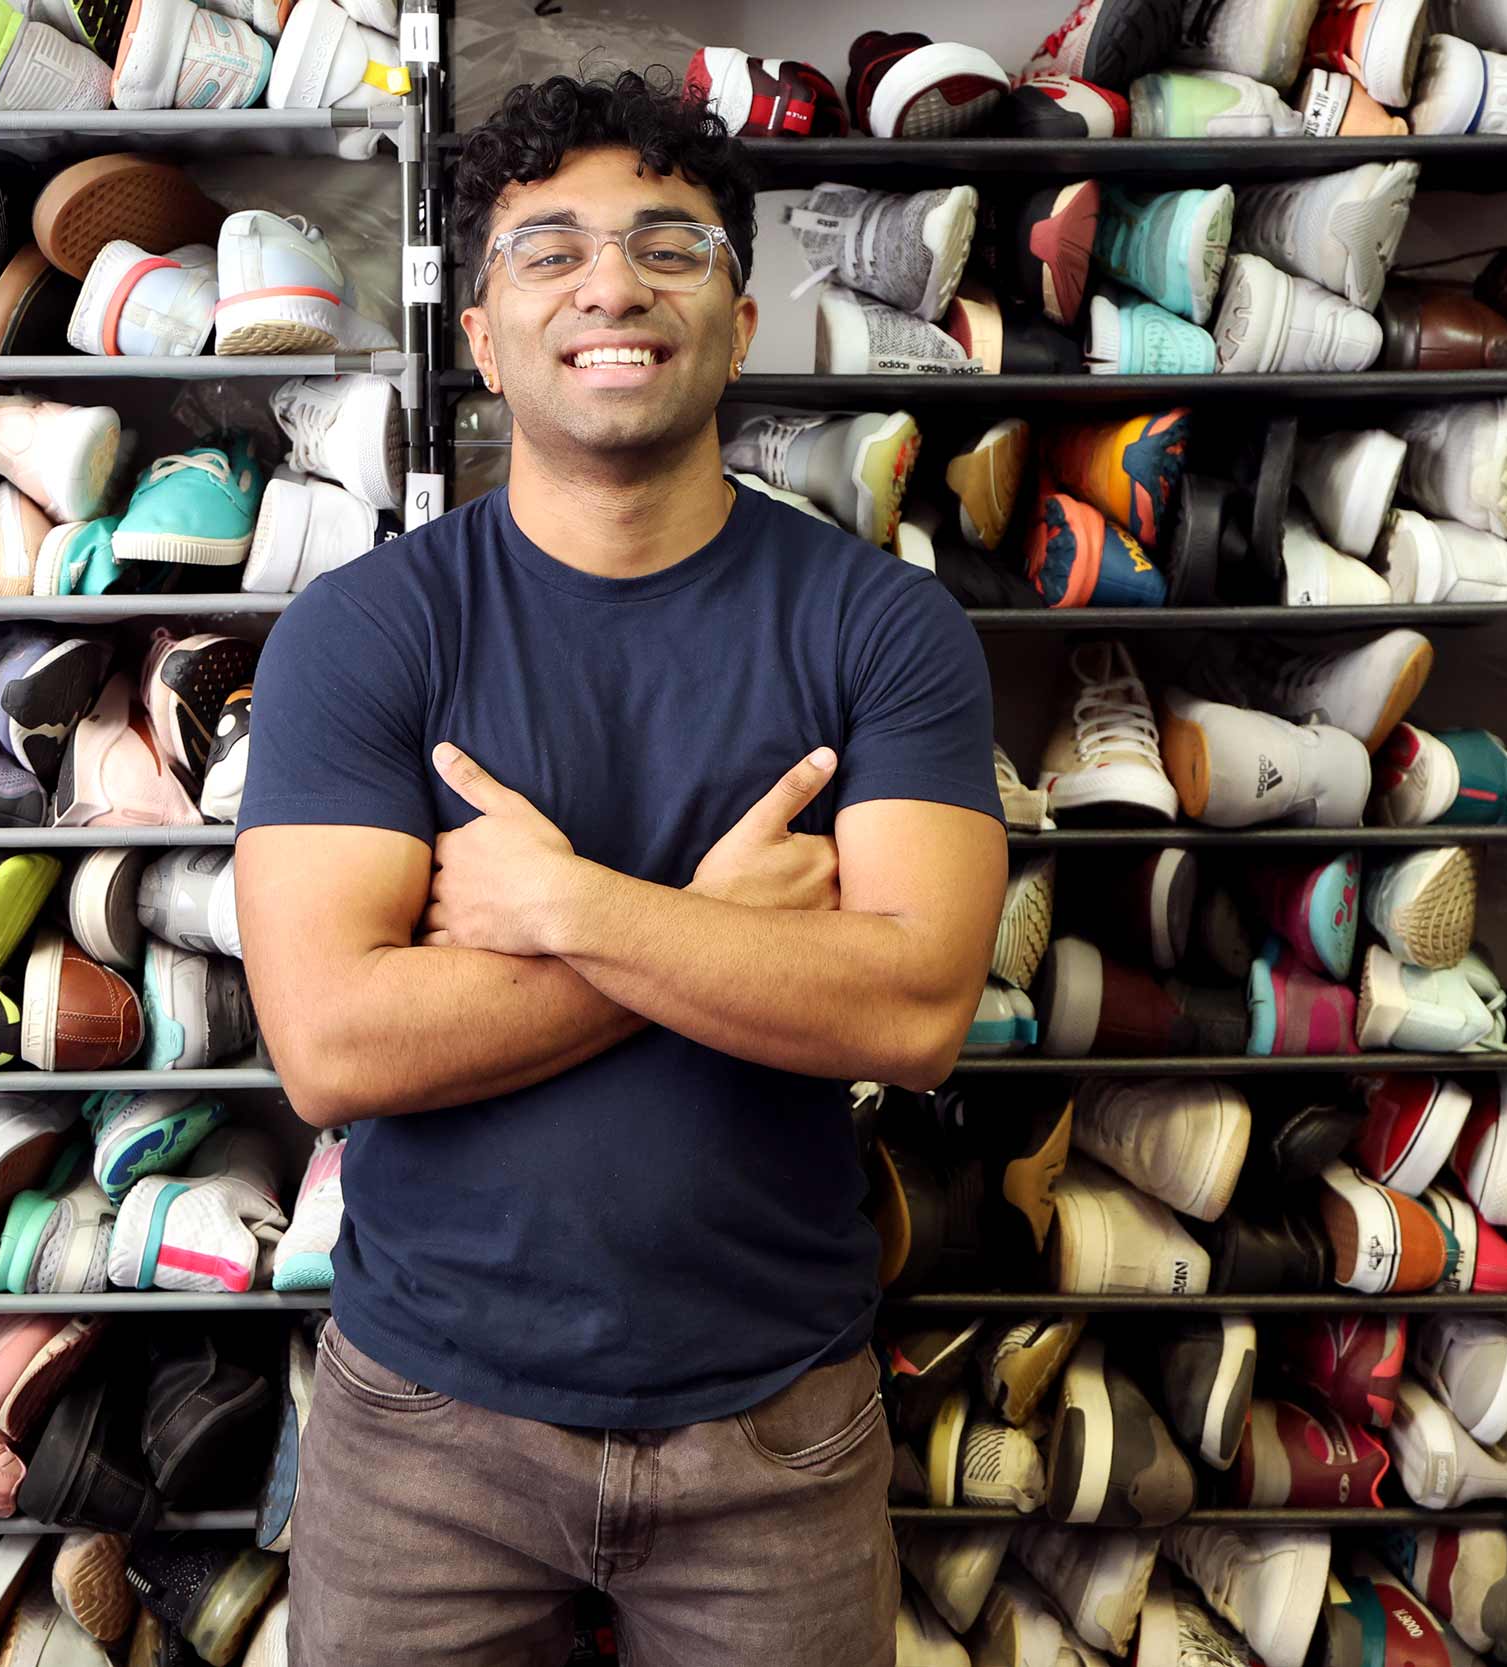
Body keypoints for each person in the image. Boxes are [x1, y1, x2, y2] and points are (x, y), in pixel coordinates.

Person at [235, 68, 1005, 1667]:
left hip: (775, 1433)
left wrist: (572, 909)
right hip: (426, 1432)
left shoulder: (884, 627)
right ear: (479, 331)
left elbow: (914, 1011)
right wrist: (724, 938)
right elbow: (334, 1047)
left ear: (735, 312)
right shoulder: (367, 631)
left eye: (672, 245)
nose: (613, 284)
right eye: (550, 249)